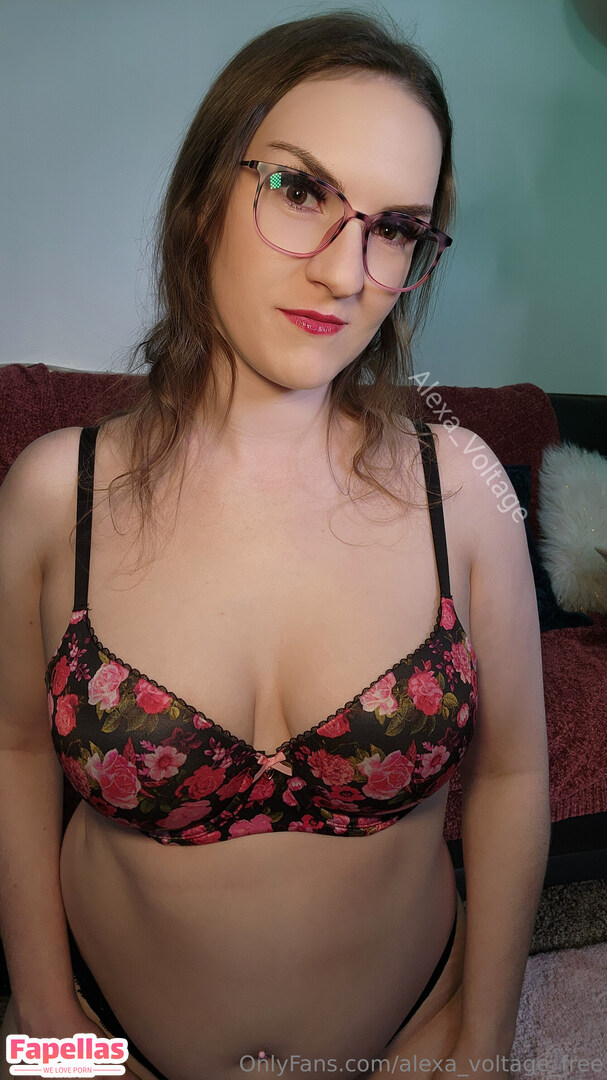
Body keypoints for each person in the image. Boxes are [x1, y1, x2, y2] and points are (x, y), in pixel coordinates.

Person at [0, 9, 551, 1080]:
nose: (346, 273)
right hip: (110, 1040)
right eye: (301, 190)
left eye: (396, 227)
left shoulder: (467, 490)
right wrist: (46, 1014)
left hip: (416, 1039)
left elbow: (512, 773)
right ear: (205, 192)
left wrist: (483, 1038)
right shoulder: (53, 493)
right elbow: (17, 751)